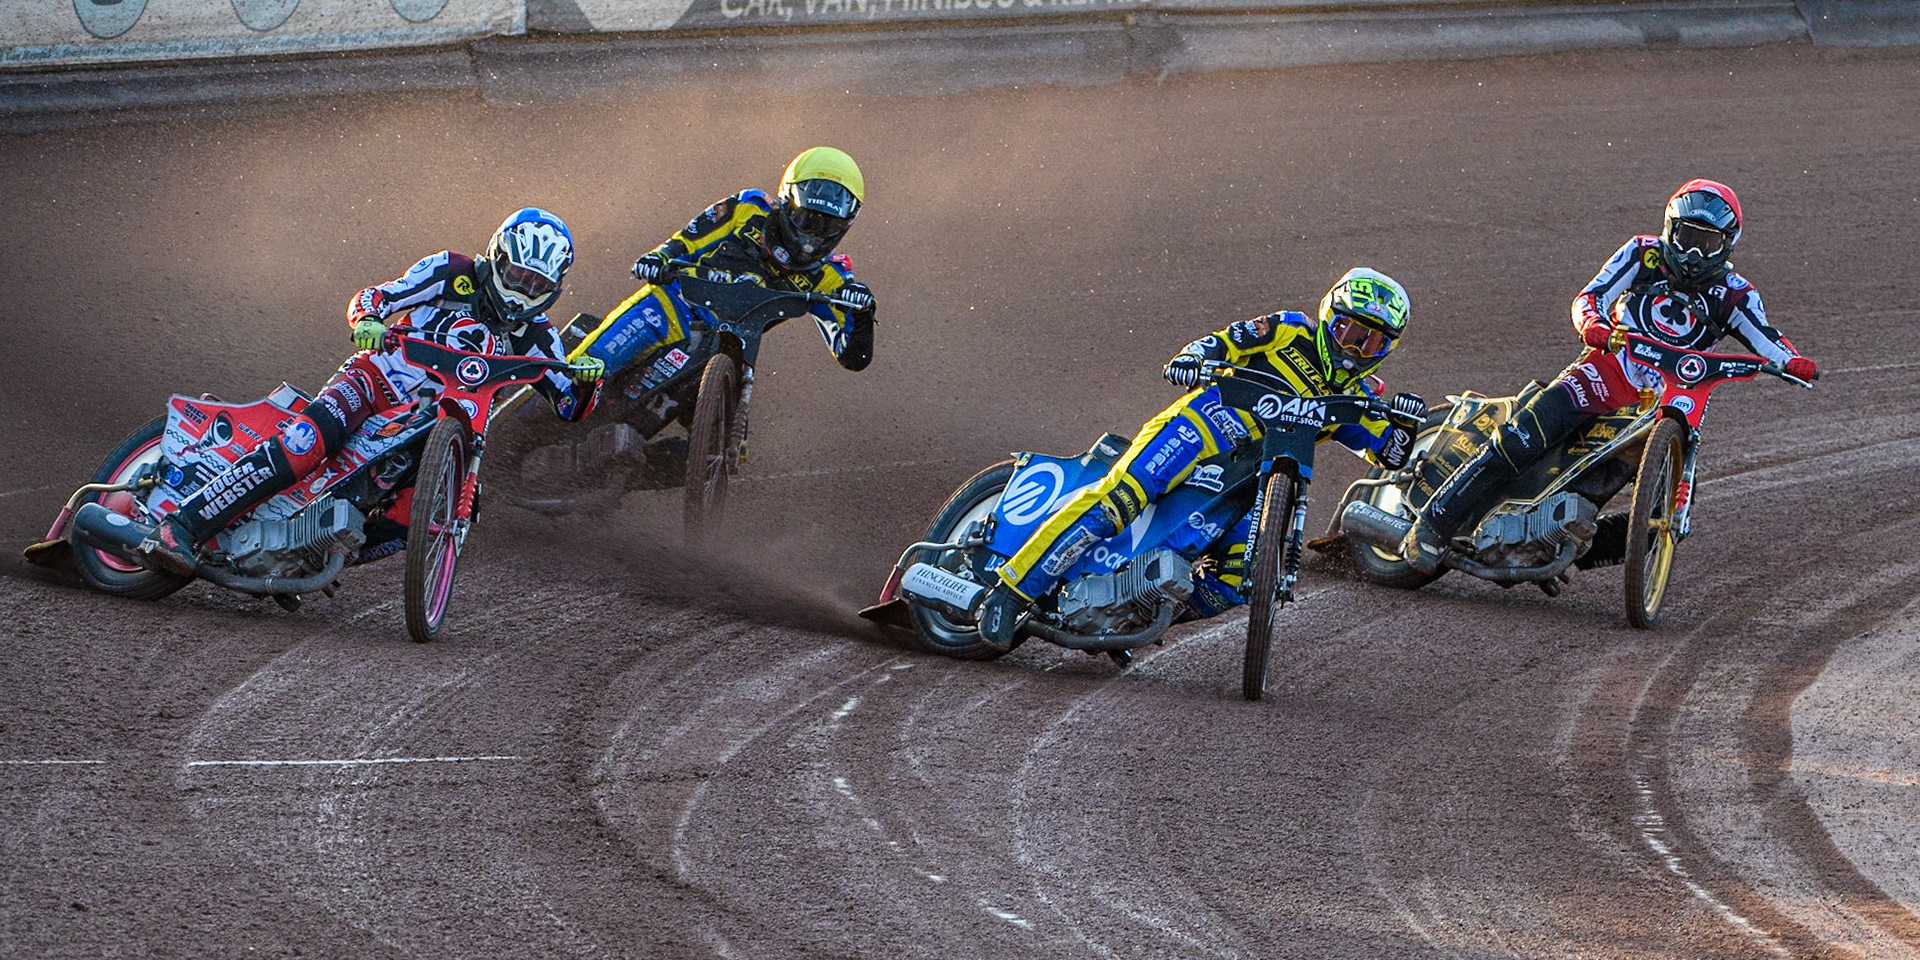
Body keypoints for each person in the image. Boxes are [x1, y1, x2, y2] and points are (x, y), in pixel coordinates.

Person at [973, 268, 1428, 651]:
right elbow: (1223, 342)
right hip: (1199, 428)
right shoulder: (1290, 328)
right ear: (1330, 318)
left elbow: (1388, 454)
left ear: (1386, 350)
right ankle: (1011, 591)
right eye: (1348, 331)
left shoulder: (1361, 397)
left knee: (1240, 578)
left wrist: (1406, 425)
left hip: (1251, 479)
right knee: (1121, 498)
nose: (1353, 348)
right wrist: (1192, 357)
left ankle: (1131, 615)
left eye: (1370, 343)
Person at [135, 207, 606, 575]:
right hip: (375, 381)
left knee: (413, 518)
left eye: (537, 283)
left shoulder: (541, 336)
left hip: (442, 429)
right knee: (307, 443)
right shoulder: (449, 270)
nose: (523, 289)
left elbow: (568, 404)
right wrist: (368, 322)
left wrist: (588, 381)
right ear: (498, 257)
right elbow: (376, 297)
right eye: (519, 275)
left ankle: (305, 554)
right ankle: (179, 527)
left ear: (555, 287)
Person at [1399, 179, 1819, 574]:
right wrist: (1594, 325)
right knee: (1524, 436)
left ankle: (1544, 546)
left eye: (1706, 244)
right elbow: (1590, 297)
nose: (1693, 254)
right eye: (1688, 238)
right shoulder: (1642, 253)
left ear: (1727, 245)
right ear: (1670, 229)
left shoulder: (1735, 292)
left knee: (1638, 504)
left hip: (1663, 398)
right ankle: (1433, 524)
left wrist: (1792, 362)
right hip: (1608, 369)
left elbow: (1765, 338)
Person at [567, 147, 876, 446]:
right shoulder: (749, 208)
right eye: (806, 219)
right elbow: (686, 241)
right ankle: (536, 410)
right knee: (583, 369)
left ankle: (627, 461)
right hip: (672, 309)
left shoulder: (832, 275)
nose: (813, 235)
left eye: (828, 225)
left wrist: (862, 315)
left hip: (733, 348)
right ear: (786, 199)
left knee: (727, 448)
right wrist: (658, 259)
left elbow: (853, 358)